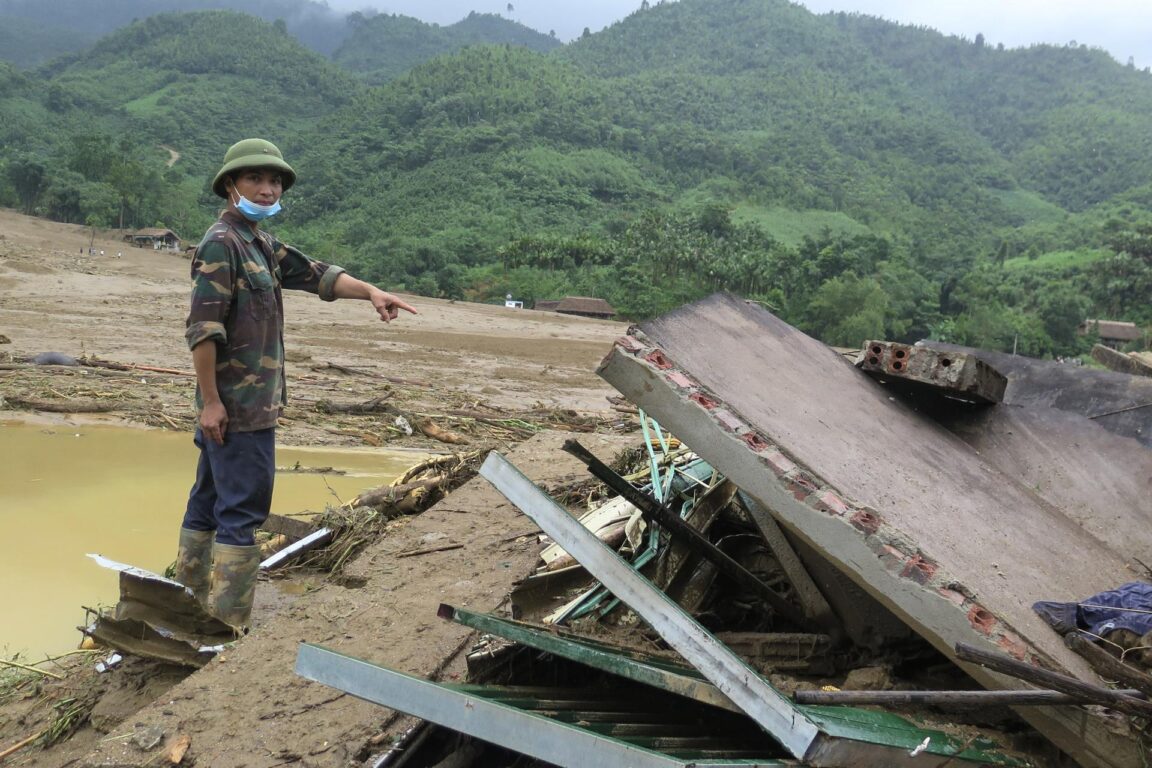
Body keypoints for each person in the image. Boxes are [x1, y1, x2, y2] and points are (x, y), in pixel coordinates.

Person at [174, 138, 417, 630]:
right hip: (238, 409)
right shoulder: (223, 243)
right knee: (243, 511)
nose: (267, 189)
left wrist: (370, 291)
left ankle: (189, 604)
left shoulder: (260, 242)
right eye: (255, 180)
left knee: (207, 500)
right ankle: (226, 626)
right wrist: (213, 403)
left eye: (275, 181)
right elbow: (204, 330)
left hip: (242, 405)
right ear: (230, 185)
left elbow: (317, 275)